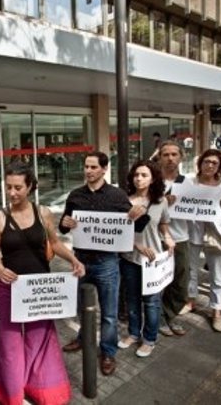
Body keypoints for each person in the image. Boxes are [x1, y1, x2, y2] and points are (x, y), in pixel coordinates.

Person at [0, 162, 84, 404]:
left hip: (40, 290)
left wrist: (73, 259)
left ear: (29, 186)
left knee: (39, 339)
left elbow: (56, 243)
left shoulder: (44, 213)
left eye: (18, 187)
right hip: (11, 290)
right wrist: (0, 269)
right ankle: (12, 394)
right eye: (8, 187)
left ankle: (42, 392)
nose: (12, 193)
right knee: (10, 343)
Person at [59, 151, 138, 376]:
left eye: (94, 167)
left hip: (107, 263)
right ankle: (83, 339)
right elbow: (64, 227)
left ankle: (108, 352)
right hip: (80, 260)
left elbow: (132, 225)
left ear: (104, 169)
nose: (89, 171)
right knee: (82, 307)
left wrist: (136, 215)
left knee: (109, 313)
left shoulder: (117, 195)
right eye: (86, 166)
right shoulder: (75, 195)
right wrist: (65, 223)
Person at [119, 161, 175, 358]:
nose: (139, 178)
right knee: (132, 299)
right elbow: (118, 232)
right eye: (136, 175)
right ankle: (134, 333)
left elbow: (164, 225)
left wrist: (168, 239)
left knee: (152, 301)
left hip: (153, 261)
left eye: (144, 175)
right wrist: (137, 246)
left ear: (153, 179)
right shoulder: (124, 201)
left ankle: (149, 339)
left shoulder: (161, 202)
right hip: (130, 259)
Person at [183, 149, 221, 332]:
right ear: (200, 163)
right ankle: (190, 301)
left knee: (217, 275)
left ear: (220, 167)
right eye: (207, 162)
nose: (210, 165)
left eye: (214, 163)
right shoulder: (188, 181)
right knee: (191, 271)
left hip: (216, 236)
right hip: (192, 232)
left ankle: (217, 311)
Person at [156, 141, 190, 336]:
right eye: (166, 154)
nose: (170, 158)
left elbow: (205, 206)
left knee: (180, 282)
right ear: (159, 157)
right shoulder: (152, 180)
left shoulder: (189, 182)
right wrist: (161, 202)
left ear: (181, 157)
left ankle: (168, 315)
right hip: (155, 238)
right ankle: (157, 319)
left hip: (180, 237)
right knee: (157, 281)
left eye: (174, 154)